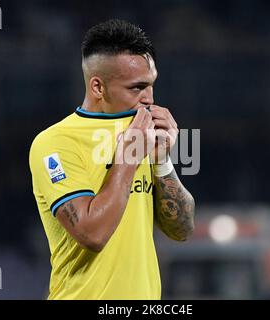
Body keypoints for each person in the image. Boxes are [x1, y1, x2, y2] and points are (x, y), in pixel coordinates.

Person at [29, 19, 195, 300]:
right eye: (136, 88)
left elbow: (183, 229)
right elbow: (93, 234)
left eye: (151, 85)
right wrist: (128, 158)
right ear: (97, 87)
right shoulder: (56, 143)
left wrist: (162, 160)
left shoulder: (142, 137)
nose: (149, 98)